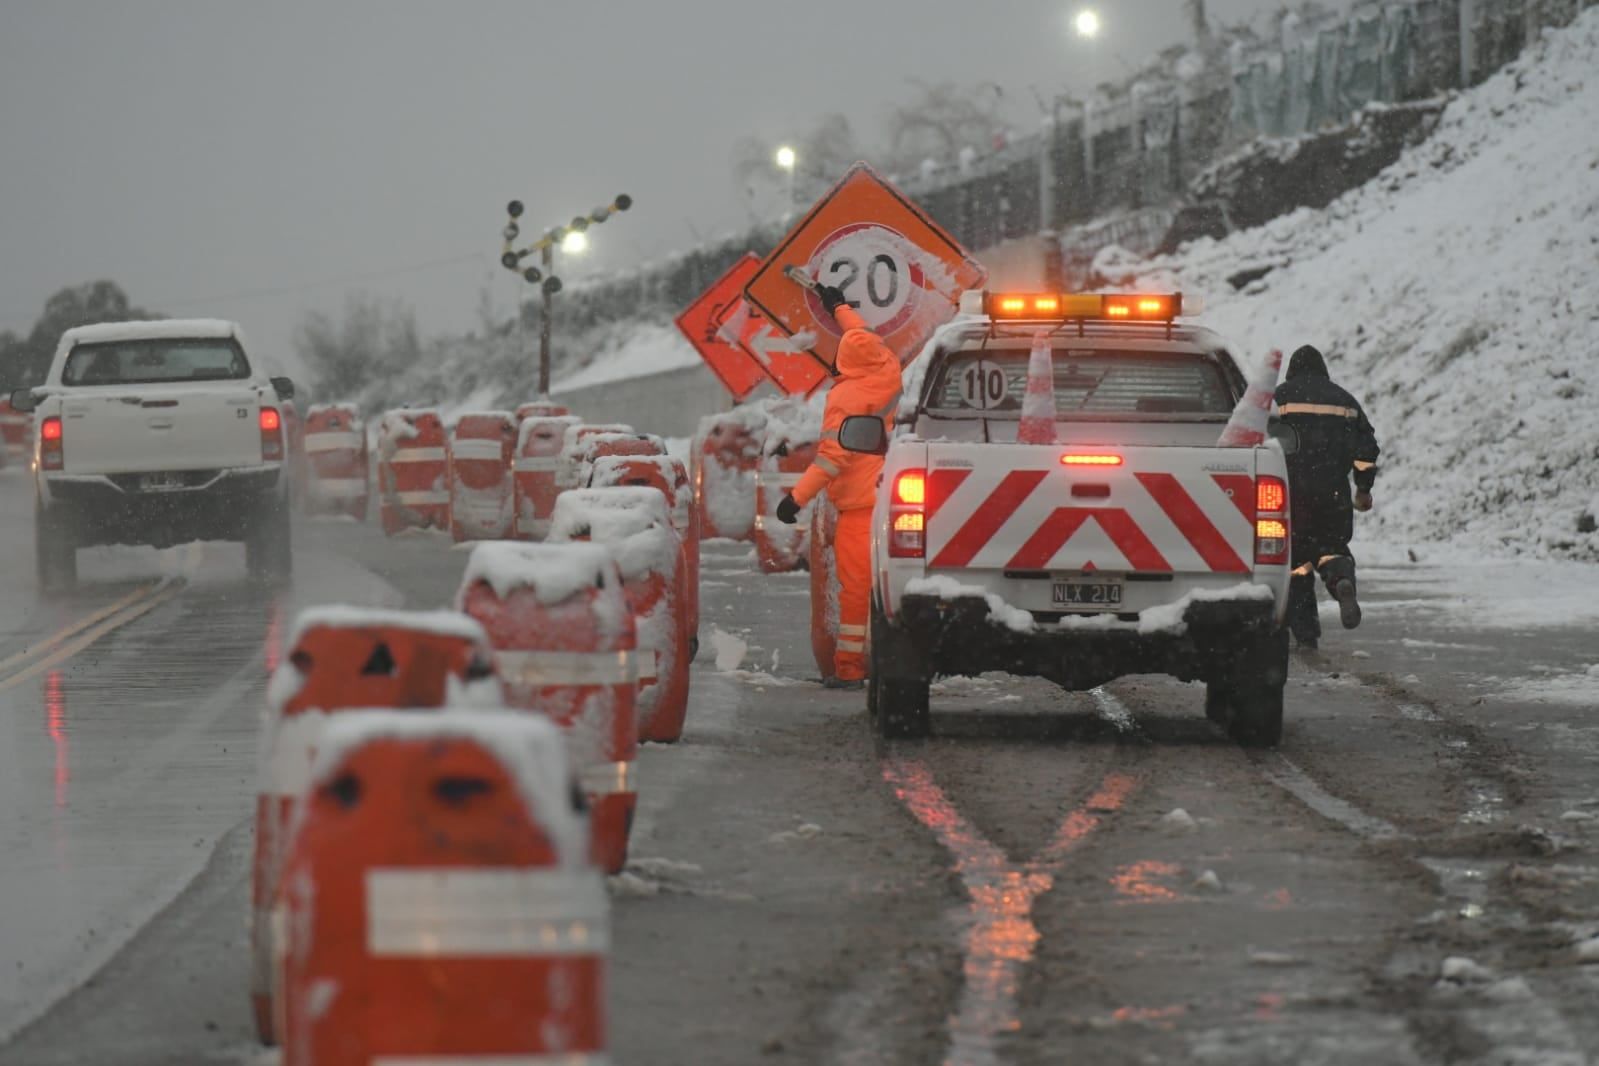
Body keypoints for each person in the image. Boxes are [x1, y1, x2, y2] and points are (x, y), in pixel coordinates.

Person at [775, 283, 902, 689]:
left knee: (856, 590)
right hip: (894, 501)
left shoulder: (846, 396)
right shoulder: (888, 370)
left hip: (861, 506)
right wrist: (839, 307)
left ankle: (850, 668)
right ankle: (896, 659)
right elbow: (864, 337)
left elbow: (833, 457)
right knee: (893, 589)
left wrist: (795, 498)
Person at [1273, 344, 1380, 649]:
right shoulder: (1345, 402)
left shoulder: (1277, 399)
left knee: (1296, 564)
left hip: (1289, 495)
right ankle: (1340, 580)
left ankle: (1306, 634)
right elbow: (1366, 450)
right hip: (1333, 494)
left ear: (1292, 370)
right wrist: (1363, 487)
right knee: (1333, 548)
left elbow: (1257, 439)